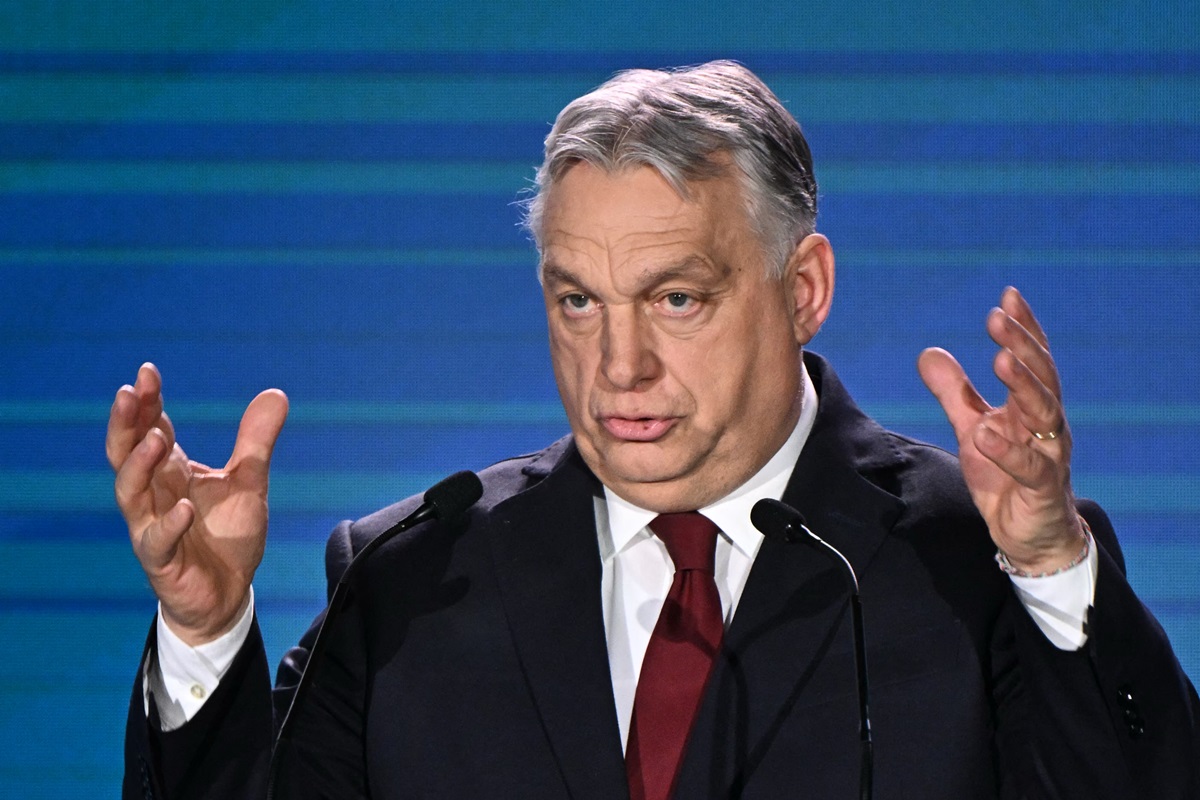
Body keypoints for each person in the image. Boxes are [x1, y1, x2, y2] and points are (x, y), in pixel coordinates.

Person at [112, 61, 1199, 799]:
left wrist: (1049, 565)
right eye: (578, 301)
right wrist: (205, 629)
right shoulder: (411, 577)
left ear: (803, 289)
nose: (618, 365)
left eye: (676, 298)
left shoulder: (975, 557)